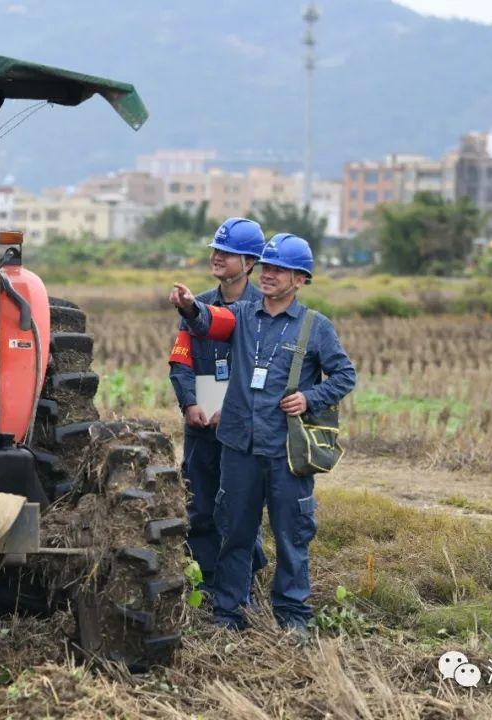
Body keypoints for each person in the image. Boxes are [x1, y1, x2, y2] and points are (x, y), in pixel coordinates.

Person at [169, 233, 356, 635]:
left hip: (286, 451)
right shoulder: (242, 317)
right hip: (239, 448)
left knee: (292, 536)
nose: (269, 275)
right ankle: (228, 615)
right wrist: (188, 306)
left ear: (300, 279)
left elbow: (345, 375)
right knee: (234, 532)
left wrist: (309, 397)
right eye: (267, 267)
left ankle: (292, 616)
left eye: (280, 270)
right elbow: (205, 320)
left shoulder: (314, 327)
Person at [168, 218, 267, 599]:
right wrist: (189, 403)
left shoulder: (263, 309)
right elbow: (181, 358)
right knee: (200, 501)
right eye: (215, 250)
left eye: (227, 253)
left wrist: (235, 409)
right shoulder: (197, 306)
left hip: (241, 424)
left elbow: (262, 370)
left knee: (240, 504)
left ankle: (243, 583)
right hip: (201, 423)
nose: (217, 257)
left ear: (249, 262)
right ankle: (205, 582)